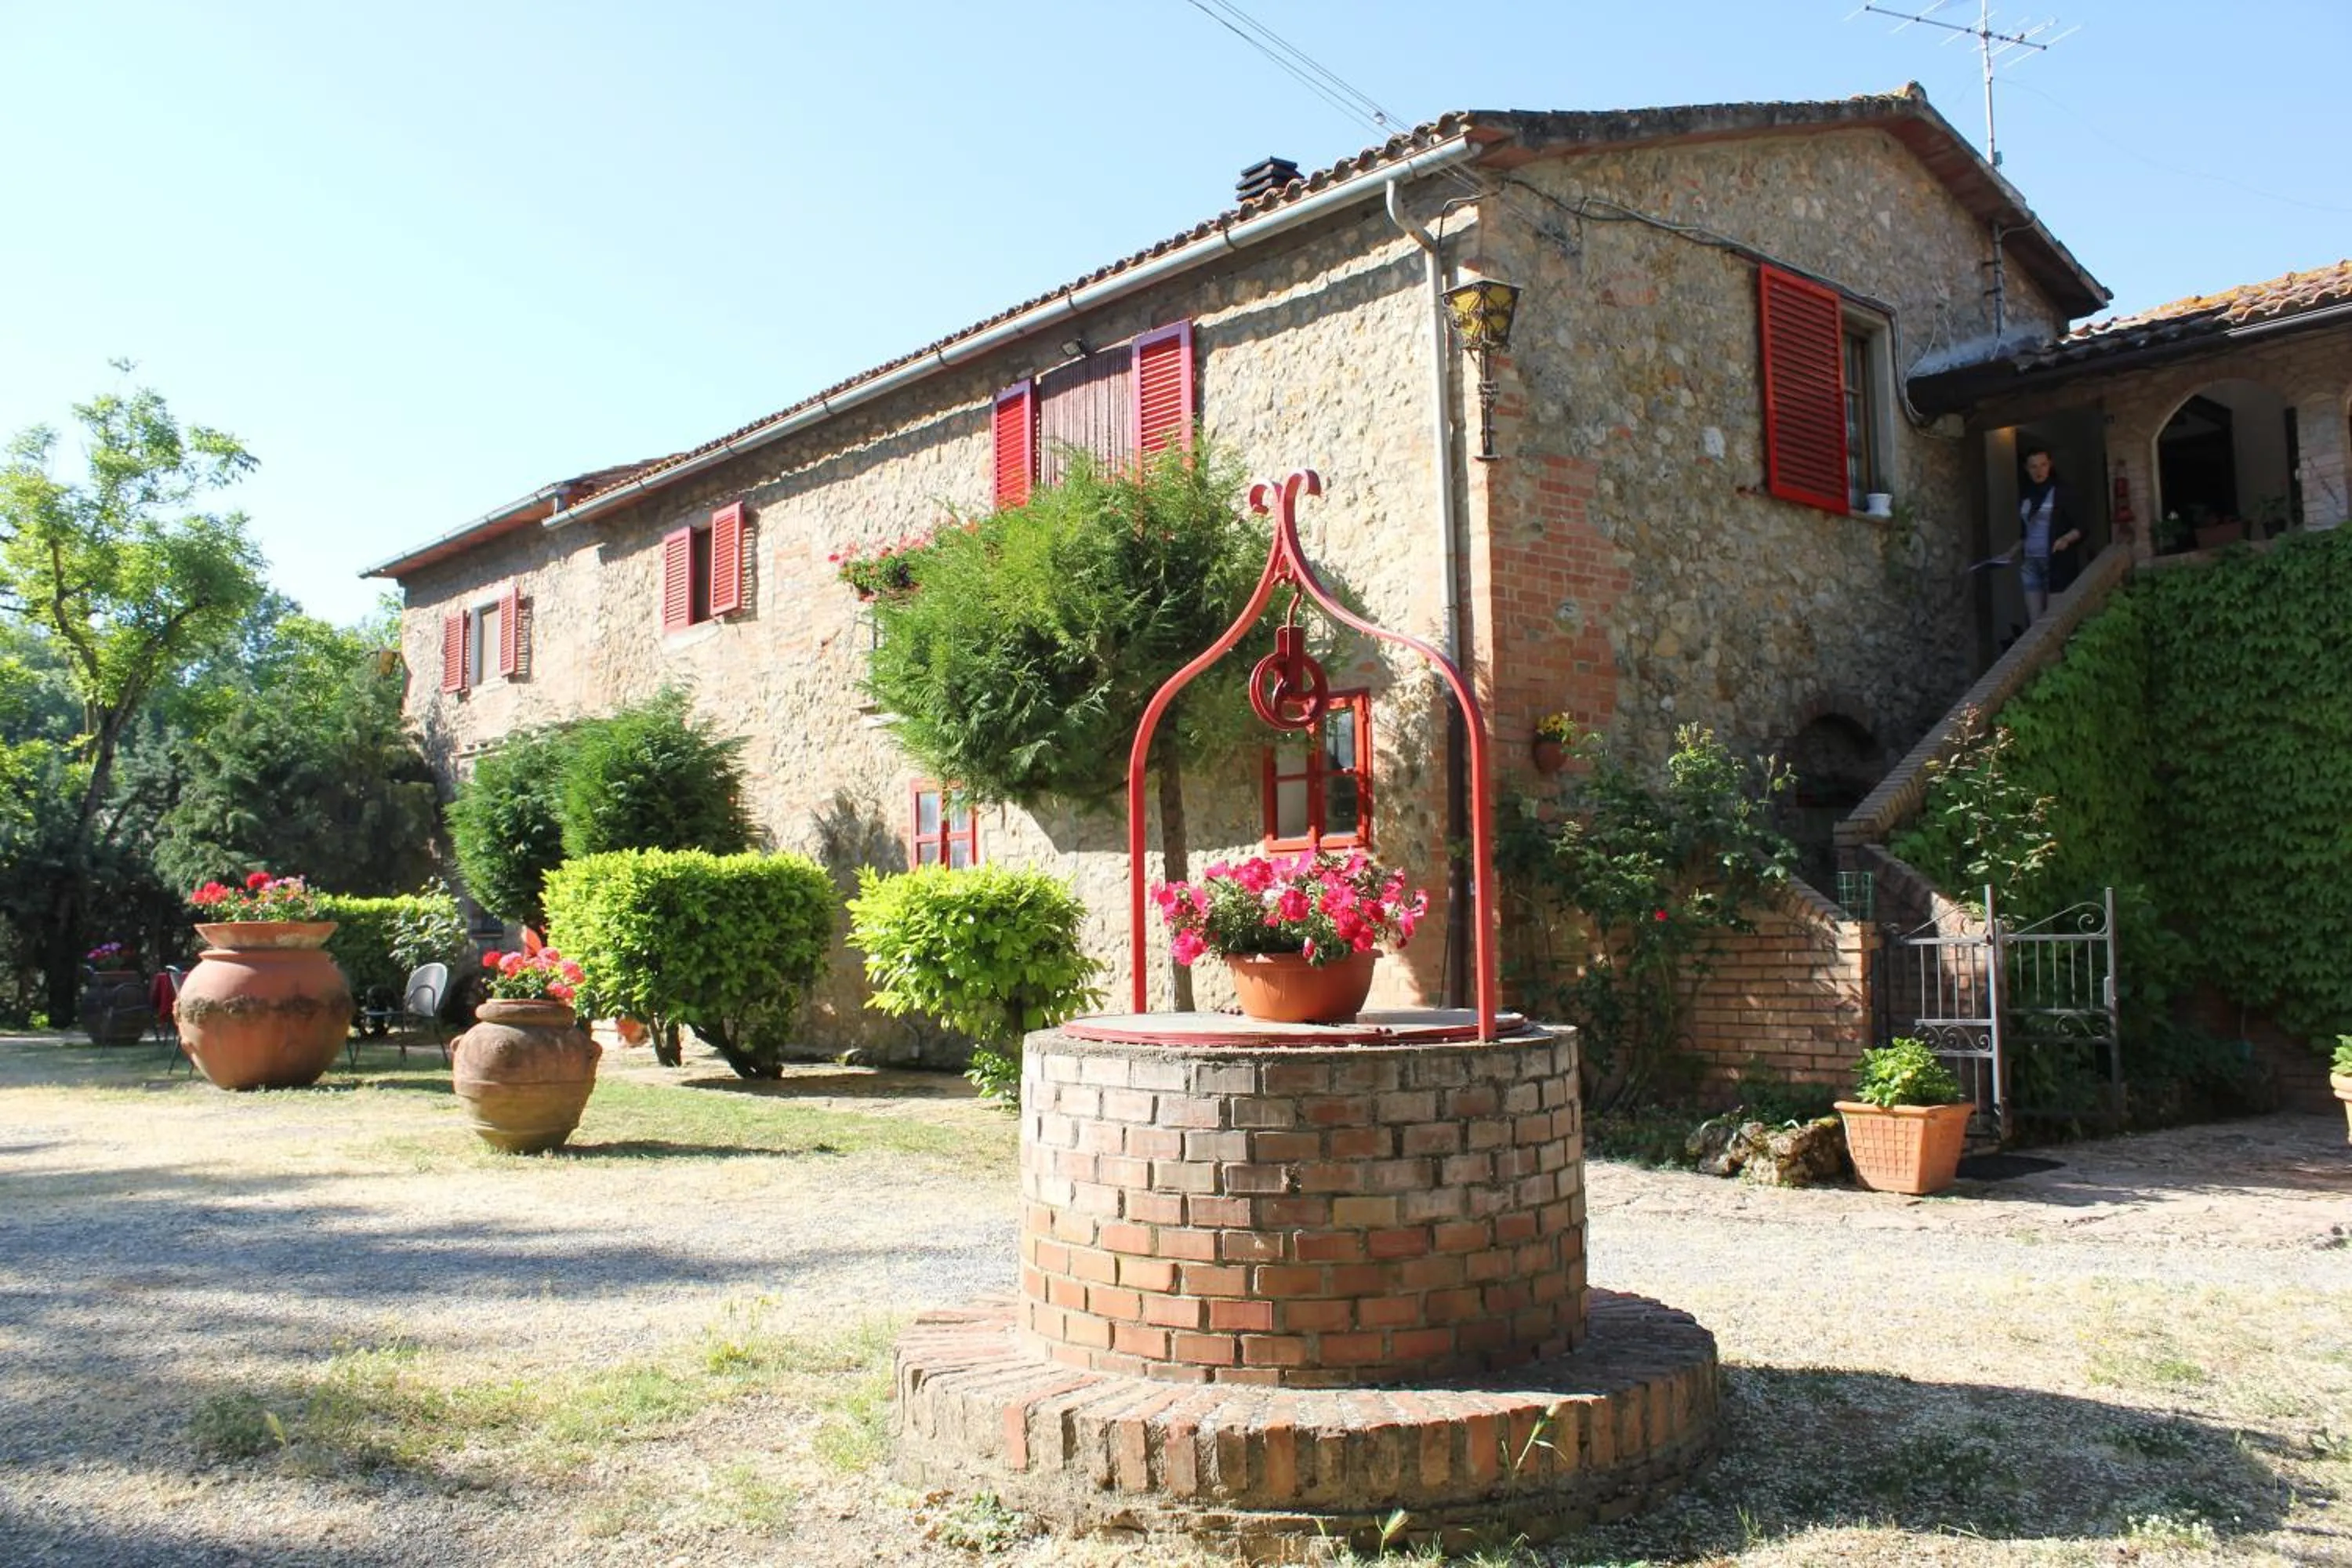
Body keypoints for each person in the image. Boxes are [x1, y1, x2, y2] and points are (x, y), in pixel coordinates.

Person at [2009, 447, 2085, 622]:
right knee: (2035, 622)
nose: (2039, 471)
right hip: (2030, 564)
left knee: (2053, 621)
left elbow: (2081, 526)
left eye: (2043, 465)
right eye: (2033, 466)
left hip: (2056, 562)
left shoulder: (2062, 491)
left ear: (2050, 465)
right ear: (2026, 469)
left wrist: (2066, 539)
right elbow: (2026, 532)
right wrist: (2011, 552)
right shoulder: (2026, 495)